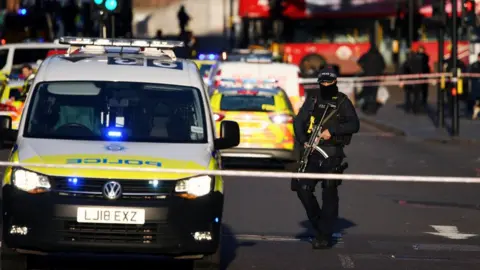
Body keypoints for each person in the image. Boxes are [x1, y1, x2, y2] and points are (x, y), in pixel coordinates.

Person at [293, 67, 360, 249]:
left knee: (329, 192)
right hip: (312, 152)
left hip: (332, 153)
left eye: (329, 83)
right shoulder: (313, 99)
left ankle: (324, 234)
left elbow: (354, 124)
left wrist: (332, 131)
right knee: (302, 187)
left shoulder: (342, 101)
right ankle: (319, 223)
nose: (326, 85)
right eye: (322, 83)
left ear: (335, 82)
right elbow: (299, 121)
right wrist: (304, 140)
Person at [357, 45, 386, 115]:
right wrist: (379, 71)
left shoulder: (366, 55)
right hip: (376, 78)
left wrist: (364, 67)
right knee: (374, 93)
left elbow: (359, 61)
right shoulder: (379, 56)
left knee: (367, 92)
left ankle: (367, 108)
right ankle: (373, 109)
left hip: (367, 77)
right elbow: (384, 66)